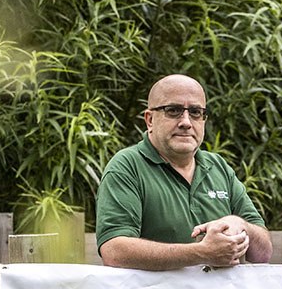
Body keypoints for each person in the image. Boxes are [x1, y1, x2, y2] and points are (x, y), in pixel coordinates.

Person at [95, 74, 272, 270]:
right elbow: (114, 252)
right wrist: (202, 253)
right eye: (173, 111)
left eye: (195, 112)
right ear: (150, 119)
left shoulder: (219, 167)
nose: (186, 122)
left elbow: (263, 253)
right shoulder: (127, 167)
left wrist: (241, 225)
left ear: (204, 119)